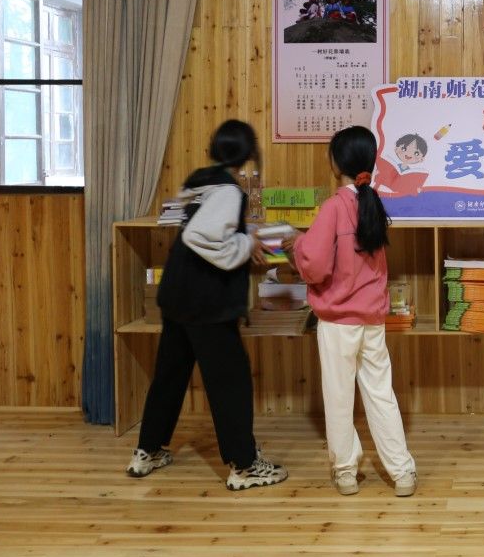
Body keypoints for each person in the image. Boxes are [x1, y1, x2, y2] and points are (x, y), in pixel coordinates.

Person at [126, 119, 288, 491]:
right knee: (230, 382)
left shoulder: (199, 182)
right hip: (207, 302)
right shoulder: (229, 190)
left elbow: (202, 229)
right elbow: (204, 236)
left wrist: (243, 235)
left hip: (177, 294)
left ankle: (147, 451)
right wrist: (248, 244)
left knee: (169, 376)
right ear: (247, 154)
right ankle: (244, 466)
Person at [284, 126, 418, 496]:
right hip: (372, 319)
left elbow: (314, 266)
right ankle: (403, 473)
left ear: (335, 163)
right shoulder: (372, 204)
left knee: (339, 397)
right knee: (381, 395)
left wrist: (297, 245)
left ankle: (345, 473)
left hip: (338, 321)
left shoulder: (334, 207)